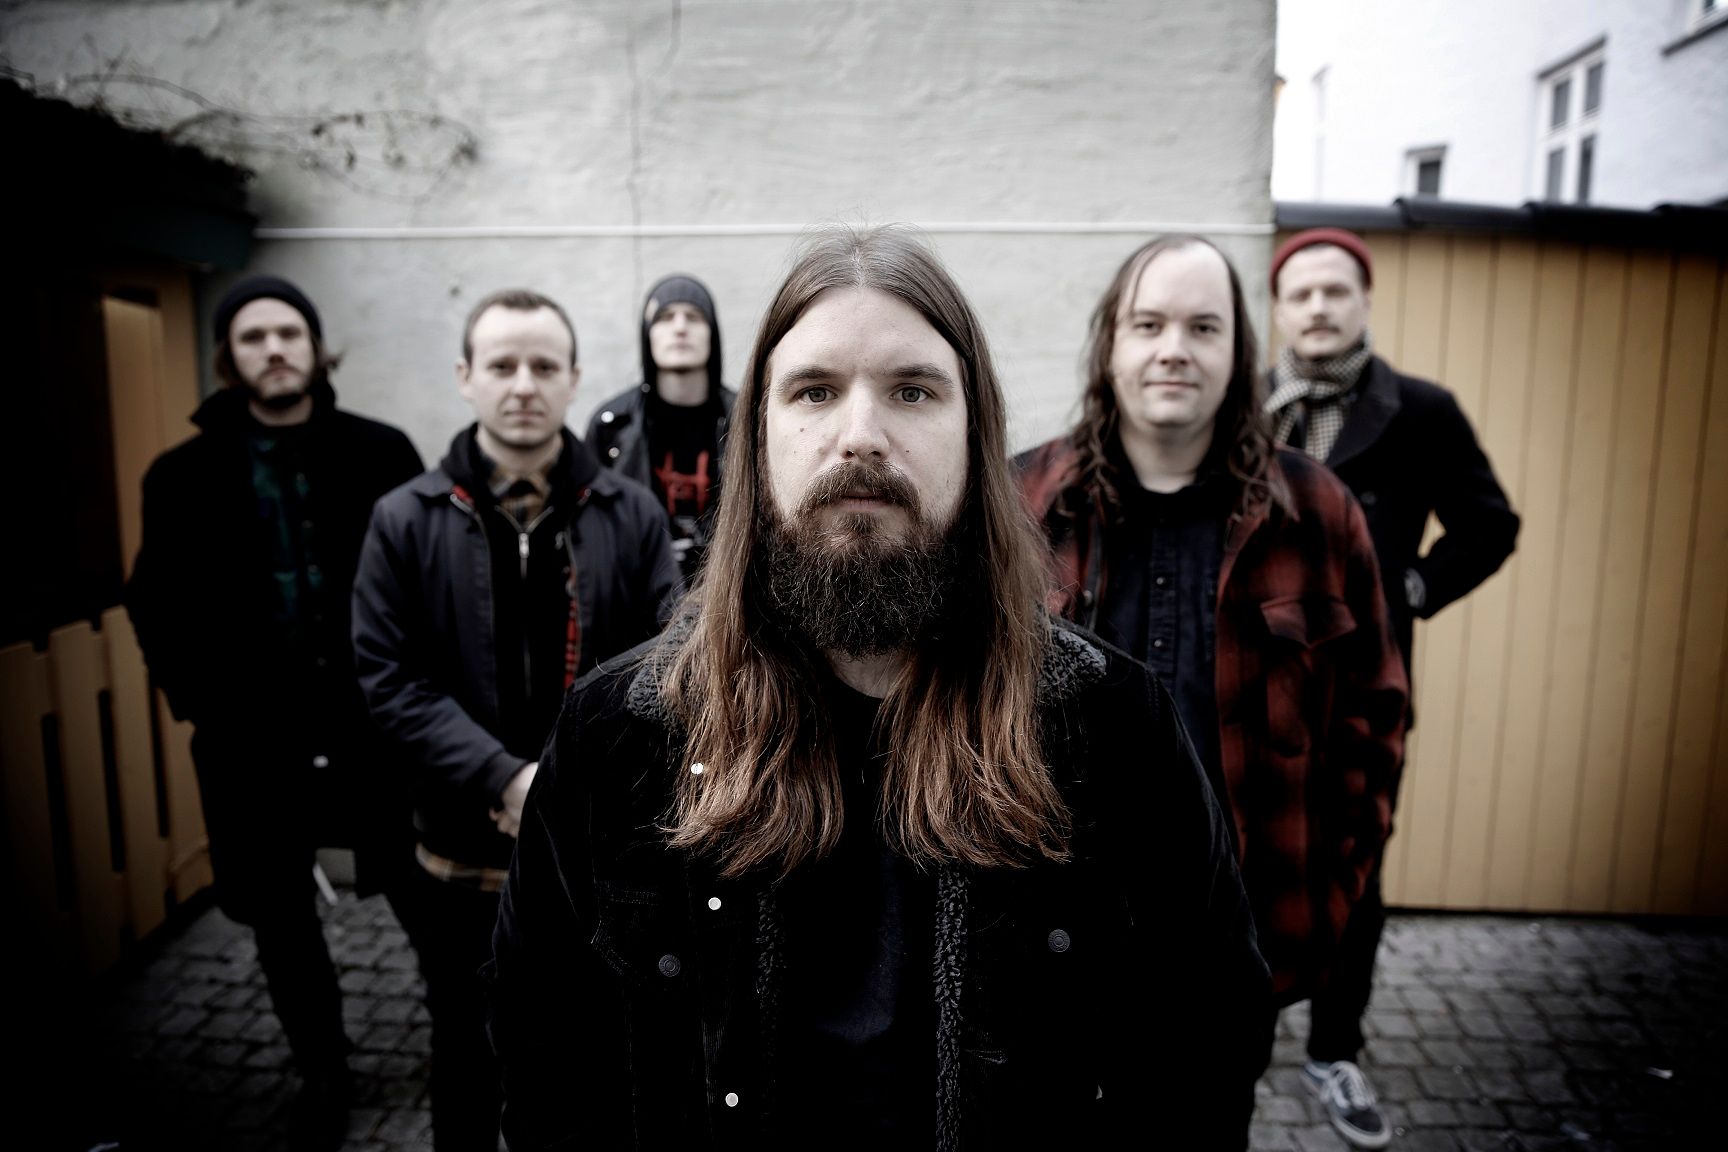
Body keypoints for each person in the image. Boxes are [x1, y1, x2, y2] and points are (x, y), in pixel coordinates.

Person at [487, 226, 1271, 1151]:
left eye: (913, 390)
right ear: (759, 438)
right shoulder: (620, 733)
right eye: (815, 391)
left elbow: (1204, 1047)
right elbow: (544, 1057)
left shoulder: (1112, 725)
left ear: (976, 436)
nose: (860, 436)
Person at [1016, 235, 1409, 1147]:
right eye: (1148, 324)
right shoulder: (1019, 503)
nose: (1173, 349)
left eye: (1203, 327)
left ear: (1239, 351)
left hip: (1229, 958)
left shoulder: (1319, 511)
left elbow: (1375, 715)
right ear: (1109, 342)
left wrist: (1331, 895)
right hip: (1043, 948)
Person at [352, 289, 681, 1151]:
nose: (524, 384)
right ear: (466, 376)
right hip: (459, 859)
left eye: (543, 365)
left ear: (574, 377)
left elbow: (671, 664)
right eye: (502, 364)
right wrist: (503, 778)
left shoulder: (633, 514)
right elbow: (389, 678)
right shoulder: (403, 519)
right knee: (464, 1053)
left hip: (596, 863)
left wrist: (569, 785)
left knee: (587, 1065)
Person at [126, 274, 424, 1150]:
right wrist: (200, 703)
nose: (275, 350)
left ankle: (472, 1036)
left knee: (425, 891)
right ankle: (322, 1066)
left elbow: (431, 576)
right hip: (251, 742)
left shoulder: (381, 451)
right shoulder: (179, 476)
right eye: (253, 337)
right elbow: (154, 602)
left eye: (289, 332)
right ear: (229, 357)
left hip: (377, 730)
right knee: (282, 920)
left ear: (316, 346)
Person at [1266, 227, 1519, 1146]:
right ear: (1278, 309)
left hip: (1362, 684)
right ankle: (1234, 1032)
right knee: (1236, 856)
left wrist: (1410, 587)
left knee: (1355, 867)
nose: (1319, 307)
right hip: (1251, 680)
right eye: (1300, 294)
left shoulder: (1419, 410)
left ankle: (1335, 1051)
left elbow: (1489, 524)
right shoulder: (1243, 407)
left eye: (1336, 290)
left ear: (1364, 301)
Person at [585, 273, 736, 581]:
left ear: (712, 334)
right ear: (648, 335)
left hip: (727, 587)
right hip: (639, 591)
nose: (680, 328)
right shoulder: (612, 425)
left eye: (694, 317)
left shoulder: (747, 418)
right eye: (665, 318)